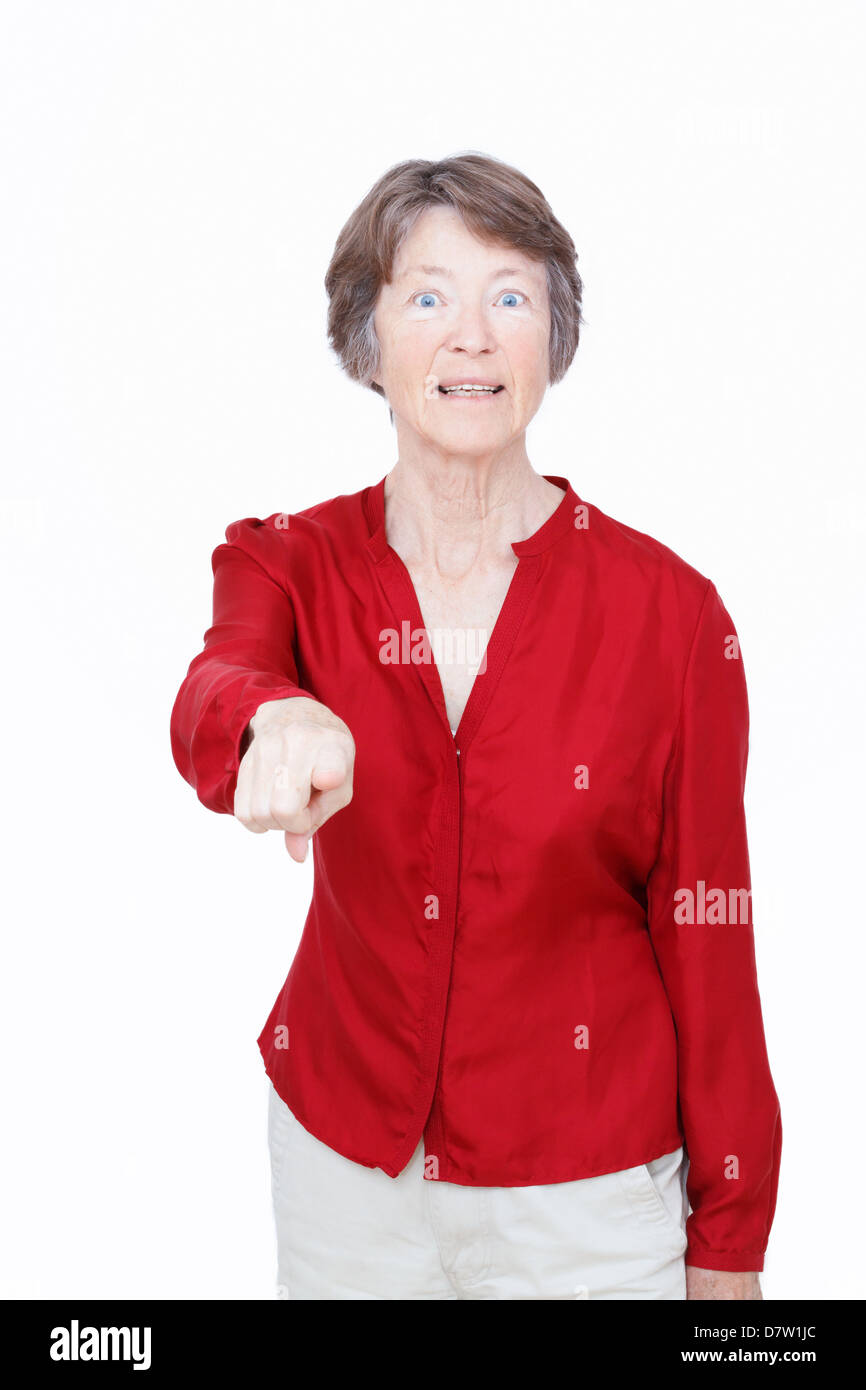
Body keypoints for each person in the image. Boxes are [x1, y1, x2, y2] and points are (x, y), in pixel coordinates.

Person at [170, 152, 782, 1300]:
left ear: (553, 337)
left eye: (510, 296)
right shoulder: (285, 561)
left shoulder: (673, 616)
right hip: (344, 1177)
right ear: (367, 338)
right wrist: (270, 718)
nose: (470, 335)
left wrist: (728, 1246)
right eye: (426, 295)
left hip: (587, 1202)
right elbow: (217, 685)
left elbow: (709, 936)